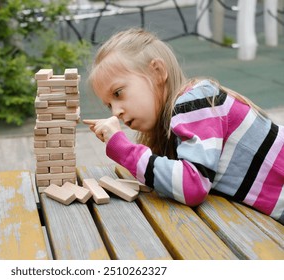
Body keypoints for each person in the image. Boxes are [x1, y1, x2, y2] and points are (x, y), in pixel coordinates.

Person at [83, 28, 284, 225]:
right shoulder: (181, 116)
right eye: (109, 105)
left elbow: (192, 186)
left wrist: (123, 149)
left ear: (157, 72)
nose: (115, 112)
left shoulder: (195, 102)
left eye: (118, 93)